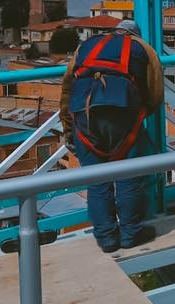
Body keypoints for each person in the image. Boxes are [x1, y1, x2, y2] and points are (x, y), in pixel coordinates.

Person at [59, 19, 163, 252]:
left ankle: (106, 238)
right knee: (127, 177)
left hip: (83, 115)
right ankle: (130, 234)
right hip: (122, 113)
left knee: (97, 180)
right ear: (136, 34)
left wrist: (68, 129)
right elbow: (155, 93)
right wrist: (140, 114)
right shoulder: (143, 48)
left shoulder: (86, 46)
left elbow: (67, 87)